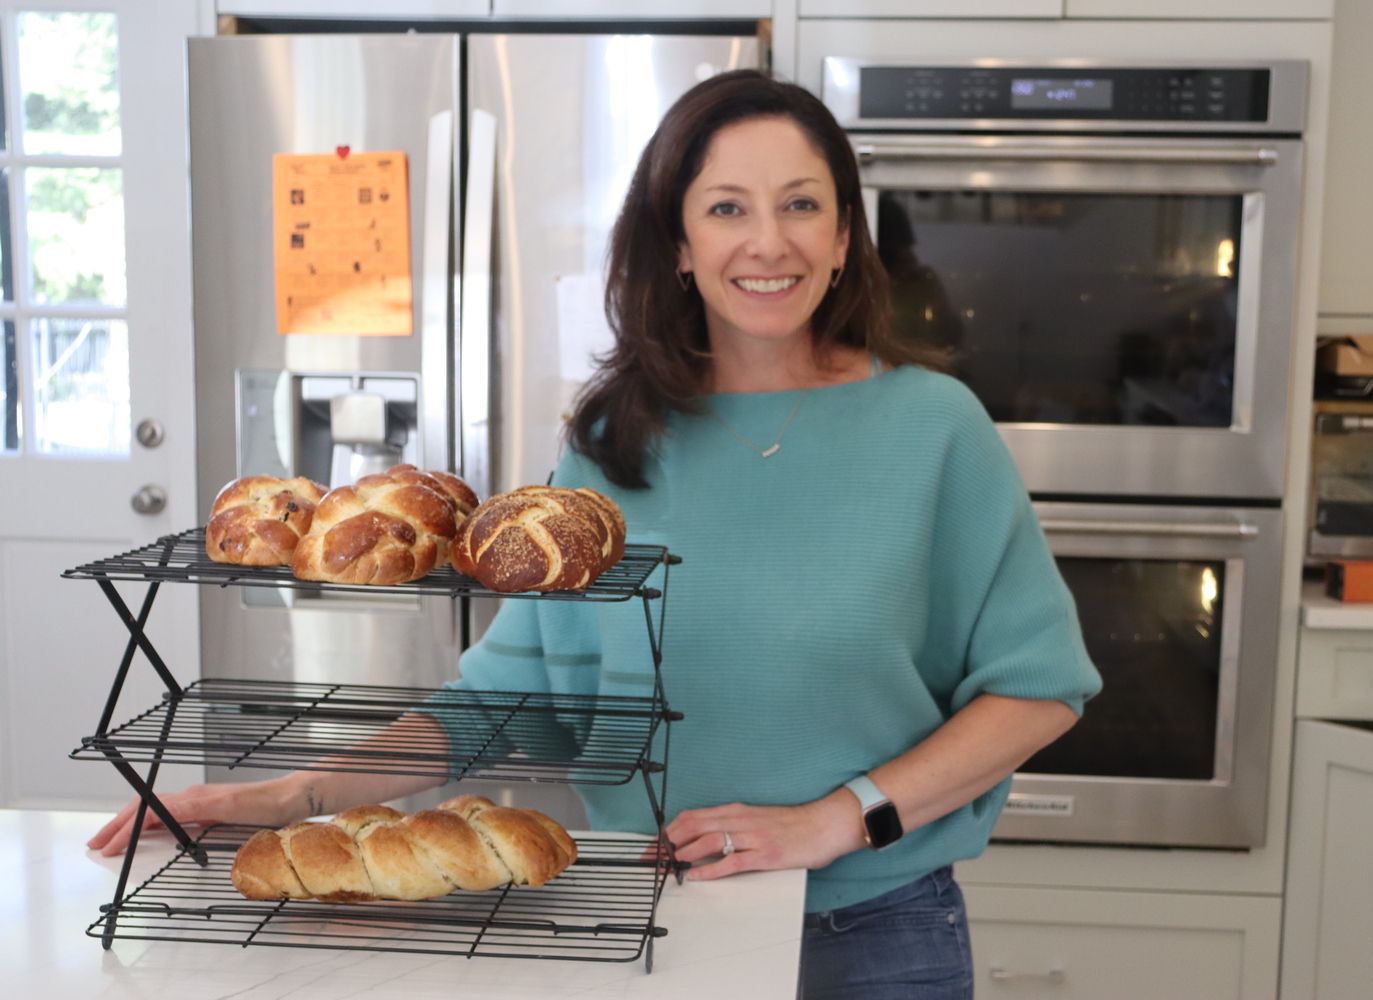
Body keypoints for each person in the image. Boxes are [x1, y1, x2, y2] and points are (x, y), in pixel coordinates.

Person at [90, 71, 1101, 999]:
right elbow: (503, 701)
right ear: (679, 244)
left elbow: (1038, 686)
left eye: (802, 204)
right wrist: (288, 795)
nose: (768, 242)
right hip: (647, 913)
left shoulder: (934, 429)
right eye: (726, 208)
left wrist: (835, 819)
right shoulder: (616, 445)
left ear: (844, 237)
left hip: (872, 928)